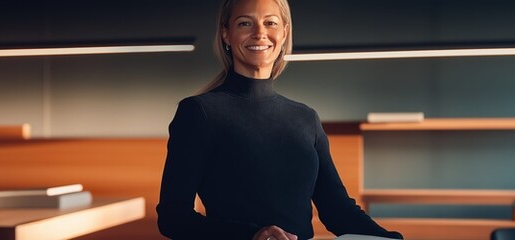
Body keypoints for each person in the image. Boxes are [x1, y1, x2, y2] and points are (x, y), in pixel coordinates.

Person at [156, 0, 404, 239]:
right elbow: (172, 217)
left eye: (270, 23)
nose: (260, 33)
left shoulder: (306, 118)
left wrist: (390, 238)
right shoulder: (198, 112)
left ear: (284, 33)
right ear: (225, 33)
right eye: (245, 23)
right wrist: (251, 236)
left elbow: (338, 211)